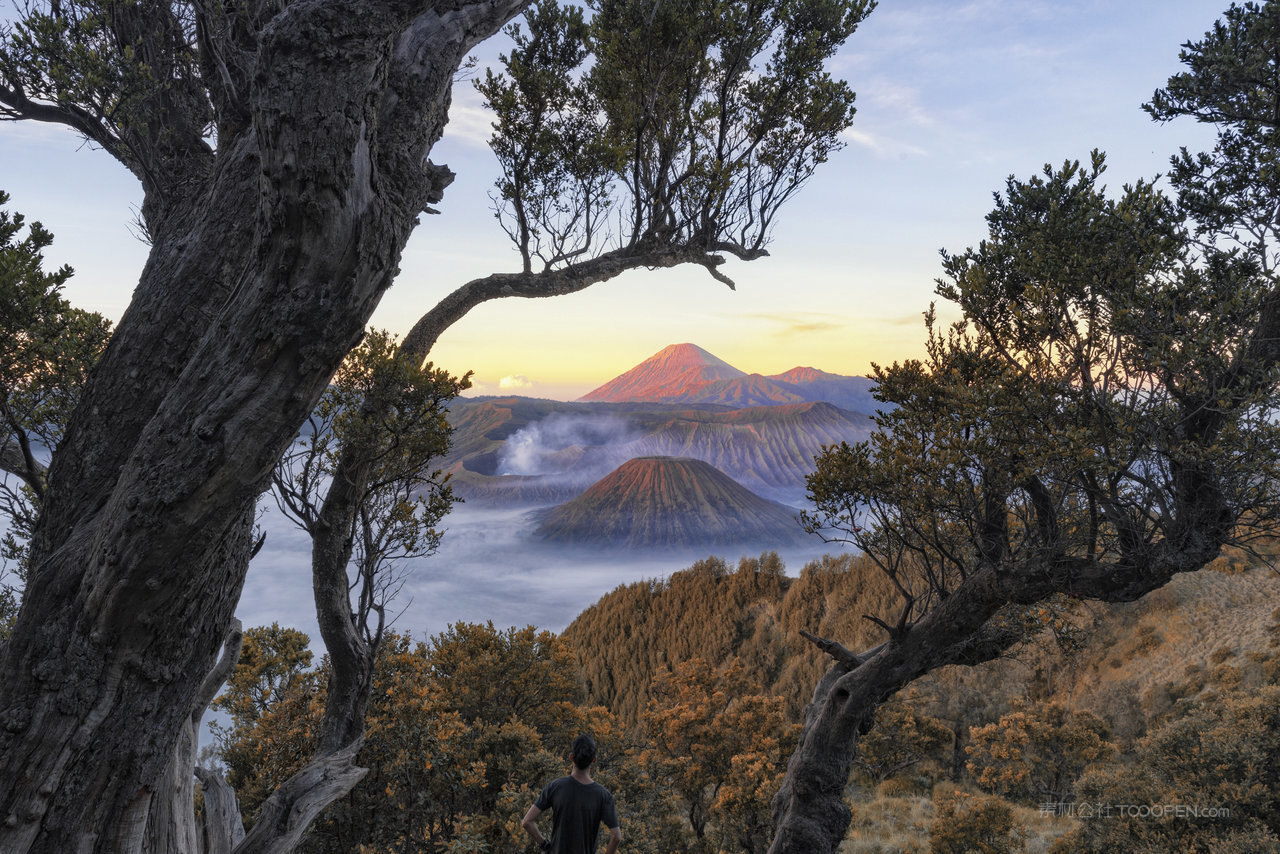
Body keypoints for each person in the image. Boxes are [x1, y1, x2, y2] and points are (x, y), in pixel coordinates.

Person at [522, 734, 622, 853]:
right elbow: (616, 837)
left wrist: (545, 845)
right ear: (594, 759)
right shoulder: (603, 796)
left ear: (571, 757)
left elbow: (527, 822)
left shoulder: (555, 787)